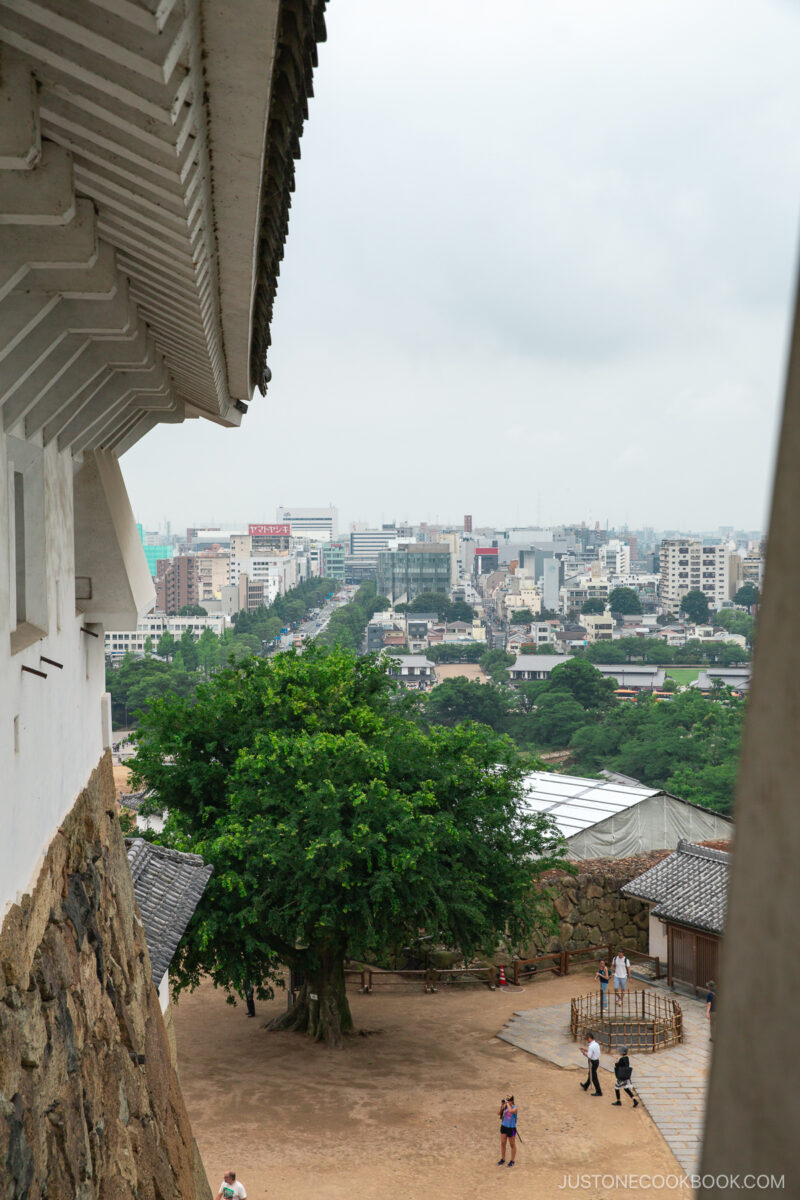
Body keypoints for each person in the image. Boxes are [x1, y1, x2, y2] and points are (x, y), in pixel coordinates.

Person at [497, 1094, 518, 1167]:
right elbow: (498, 1113)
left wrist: (507, 1104)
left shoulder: (515, 1108)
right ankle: (503, 1159)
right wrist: (502, 1105)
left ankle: (512, 1160)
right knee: (503, 1143)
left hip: (512, 1128)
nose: (507, 1101)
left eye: (508, 1100)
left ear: (512, 1101)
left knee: (512, 1144)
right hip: (504, 1127)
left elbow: (511, 1111)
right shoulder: (505, 1106)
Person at [580, 1032, 602, 1096]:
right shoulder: (596, 1044)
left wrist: (583, 1052)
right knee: (591, 1074)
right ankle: (586, 1086)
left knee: (594, 1077)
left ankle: (599, 1091)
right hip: (596, 1061)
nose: (587, 1041)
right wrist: (586, 1050)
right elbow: (593, 1052)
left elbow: (589, 1056)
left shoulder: (591, 1046)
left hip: (593, 1062)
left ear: (589, 1038)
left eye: (587, 1039)